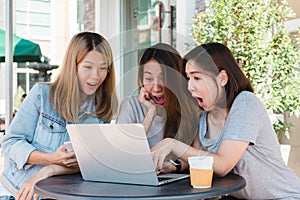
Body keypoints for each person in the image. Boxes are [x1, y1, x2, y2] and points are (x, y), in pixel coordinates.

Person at [151, 42, 300, 199]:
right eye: (188, 78)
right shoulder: (204, 119)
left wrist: (172, 144)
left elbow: (222, 164)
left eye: (197, 78)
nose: (190, 87)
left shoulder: (245, 103)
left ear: (222, 78)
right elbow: (197, 160)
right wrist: (173, 167)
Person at [0, 32, 118, 200]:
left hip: (62, 195)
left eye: (103, 68)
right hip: (18, 191)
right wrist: (50, 158)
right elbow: (11, 143)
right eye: (88, 67)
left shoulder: (101, 111)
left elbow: (93, 163)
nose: (96, 76)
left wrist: (51, 169)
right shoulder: (42, 95)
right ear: (73, 66)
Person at [116, 43, 200, 174]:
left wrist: (172, 166)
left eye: (164, 78)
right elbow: (120, 154)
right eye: (149, 78)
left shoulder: (191, 108)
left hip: (176, 185)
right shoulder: (130, 106)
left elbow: (198, 157)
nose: (156, 88)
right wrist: (151, 113)